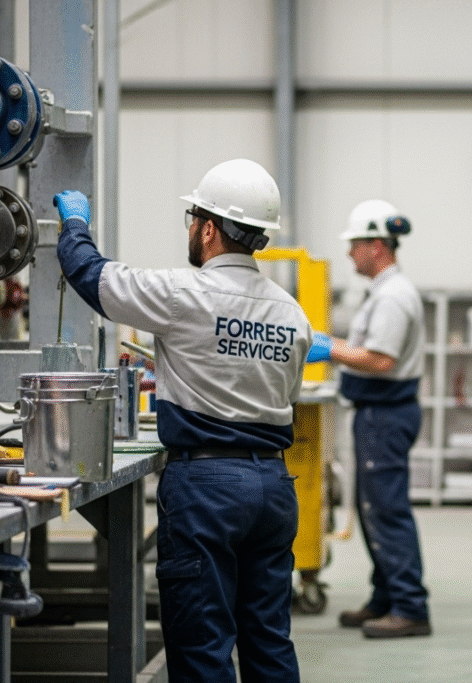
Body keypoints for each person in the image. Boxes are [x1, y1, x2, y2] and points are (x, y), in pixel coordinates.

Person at [54, 158, 311, 682]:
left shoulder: (181, 293)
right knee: (268, 639)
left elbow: (91, 276)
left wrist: (74, 226)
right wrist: (172, 372)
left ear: (210, 228)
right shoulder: (291, 311)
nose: (190, 230)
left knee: (202, 645)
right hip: (273, 486)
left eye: (193, 219)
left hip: (208, 487)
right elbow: (250, 375)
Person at [308, 199, 432, 638]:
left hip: (386, 412)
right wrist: (336, 344)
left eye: (355, 244)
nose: (349, 253)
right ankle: (386, 597)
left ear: (376, 246)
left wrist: (329, 348)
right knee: (373, 508)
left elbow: (380, 359)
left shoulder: (394, 296)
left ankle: (410, 607)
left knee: (386, 511)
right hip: (379, 413)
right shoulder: (383, 292)